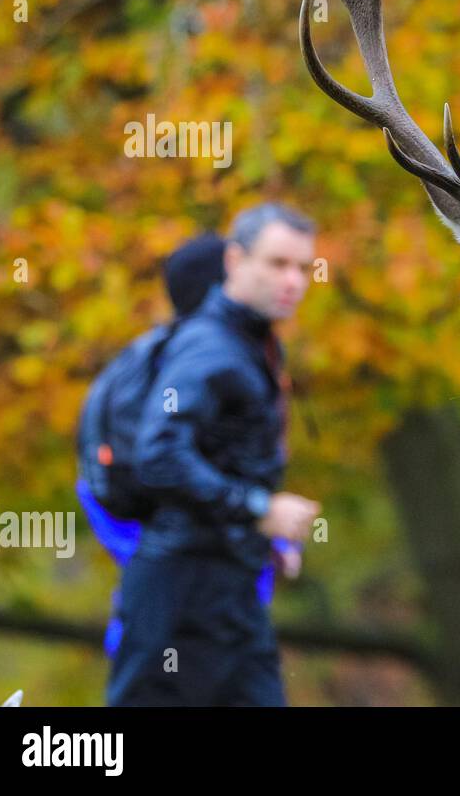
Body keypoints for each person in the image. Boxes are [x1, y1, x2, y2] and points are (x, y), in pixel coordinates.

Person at [106, 203, 322, 706]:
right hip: (181, 595)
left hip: (227, 592)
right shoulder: (211, 347)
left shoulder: (251, 343)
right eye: (276, 264)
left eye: (304, 268)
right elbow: (158, 455)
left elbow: (221, 459)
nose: (293, 280)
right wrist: (258, 508)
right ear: (234, 260)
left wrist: (259, 529)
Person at [76, 233, 300, 659]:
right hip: (172, 534)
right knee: (168, 649)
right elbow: (173, 461)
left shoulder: (169, 352)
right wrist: (260, 517)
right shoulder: (203, 359)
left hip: (143, 518)